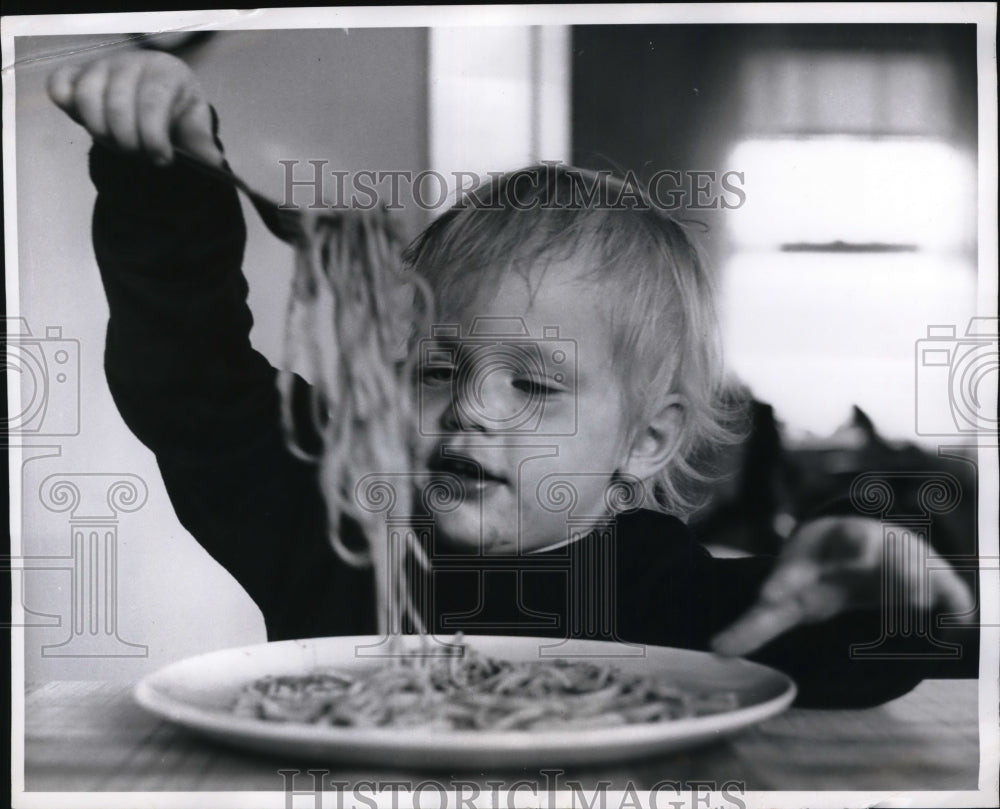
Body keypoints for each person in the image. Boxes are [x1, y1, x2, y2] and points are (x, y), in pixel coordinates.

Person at [47, 50, 976, 708]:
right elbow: (190, 380)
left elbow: (820, 647)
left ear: (644, 440)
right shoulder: (329, 529)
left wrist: (890, 598)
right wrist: (161, 172)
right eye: (436, 368)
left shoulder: (663, 588)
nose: (470, 410)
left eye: (535, 386)